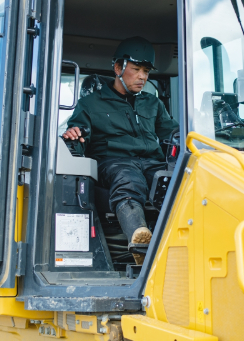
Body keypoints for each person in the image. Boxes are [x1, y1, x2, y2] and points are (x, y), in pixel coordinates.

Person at [62, 36, 178, 264]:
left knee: (173, 180)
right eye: (136, 69)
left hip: (151, 162)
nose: (142, 77)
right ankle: (139, 239)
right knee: (128, 179)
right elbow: (78, 134)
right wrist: (73, 135)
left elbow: (173, 134)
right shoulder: (91, 104)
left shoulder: (153, 104)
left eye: (146, 71)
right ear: (118, 68)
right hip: (113, 162)